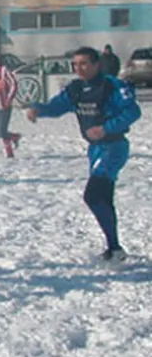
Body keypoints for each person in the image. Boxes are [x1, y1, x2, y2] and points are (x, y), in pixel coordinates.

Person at [26, 46, 141, 263]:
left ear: (96, 64)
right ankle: (114, 249)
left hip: (114, 147)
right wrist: (39, 109)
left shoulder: (112, 86)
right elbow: (57, 106)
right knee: (104, 198)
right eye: (75, 64)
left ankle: (115, 248)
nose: (79, 68)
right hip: (95, 149)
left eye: (84, 63)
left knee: (93, 195)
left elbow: (133, 111)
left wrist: (106, 128)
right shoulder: (76, 88)